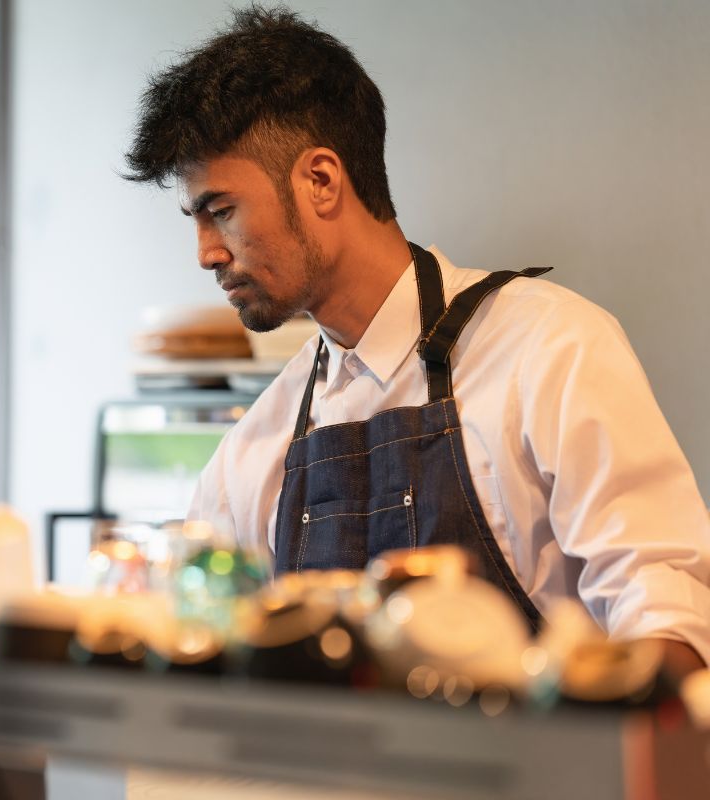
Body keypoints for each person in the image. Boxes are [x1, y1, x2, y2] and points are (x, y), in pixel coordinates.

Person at [123, 5, 710, 677]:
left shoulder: (549, 351)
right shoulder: (255, 447)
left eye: (220, 211)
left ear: (320, 181)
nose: (204, 253)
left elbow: (669, 613)